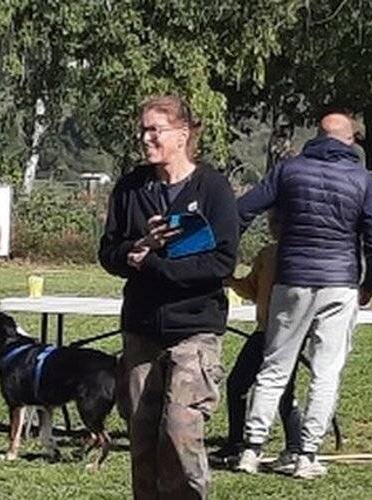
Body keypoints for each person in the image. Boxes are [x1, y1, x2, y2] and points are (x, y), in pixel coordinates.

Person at [234, 111, 372, 479]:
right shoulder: (362, 180)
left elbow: (243, 209)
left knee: (274, 367)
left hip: (292, 279)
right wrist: (371, 283)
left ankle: (251, 449)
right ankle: (307, 455)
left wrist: (223, 251)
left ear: (317, 136)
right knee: (326, 371)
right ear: (349, 140)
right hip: (340, 282)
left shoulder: (288, 170)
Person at [97, 95, 239, 499]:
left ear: (182, 134)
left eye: (154, 129)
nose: (145, 138)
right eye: (142, 129)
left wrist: (155, 264)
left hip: (194, 329)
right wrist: (136, 248)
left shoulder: (212, 187)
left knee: (179, 433)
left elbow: (222, 262)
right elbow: (109, 253)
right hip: (141, 330)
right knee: (142, 441)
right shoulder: (131, 188)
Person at [210, 211, 303, 470]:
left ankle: (295, 448)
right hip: (263, 331)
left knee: (285, 390)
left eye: (279, 222)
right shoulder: (266, 255)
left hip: (288, 336)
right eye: (272, 223)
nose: (275, 228)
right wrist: (230, 280)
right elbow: (252, 289)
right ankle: (236, 442)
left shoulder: (301, 256)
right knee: (238, 383)